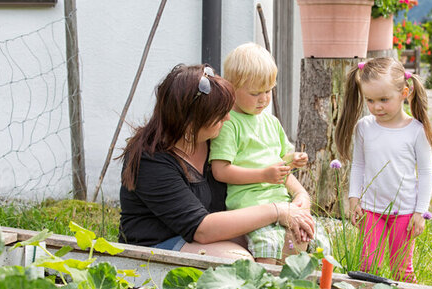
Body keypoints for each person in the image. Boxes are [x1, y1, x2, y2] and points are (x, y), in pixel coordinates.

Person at [118, 64, 315, 260]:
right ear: (190, 122)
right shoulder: (151, 161)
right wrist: (276, 211)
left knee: (289, 243)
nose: (228, 118)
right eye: (219, 115)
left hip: (209, 234)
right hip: (157, 246)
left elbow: (265, 165)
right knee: (237, 262)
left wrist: (300, 195)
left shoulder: (214, 141)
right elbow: (201, 229)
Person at [335, 57, 432, 283]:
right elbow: (359, 165)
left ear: (404, 93)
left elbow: (425, 173)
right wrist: (354, 198)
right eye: (370, 100)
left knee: (402, 268)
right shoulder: (364, 127)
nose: (376, 107)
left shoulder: (415, 131)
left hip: (404, 212)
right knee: (367, 265)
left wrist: (419, 212)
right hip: (372, 210)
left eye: (384, 99)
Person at [210, 43, 312, 264]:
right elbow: (220, 170)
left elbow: (281, 162)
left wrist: (293, 160)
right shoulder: (229, 123)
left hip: (281, 201)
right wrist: (263, 175)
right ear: (231, 88)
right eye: (255, 93)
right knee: (268, 246)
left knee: (314, 239)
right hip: (251, 208)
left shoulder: (271, 121)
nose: (264, 99)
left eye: (268, 91)